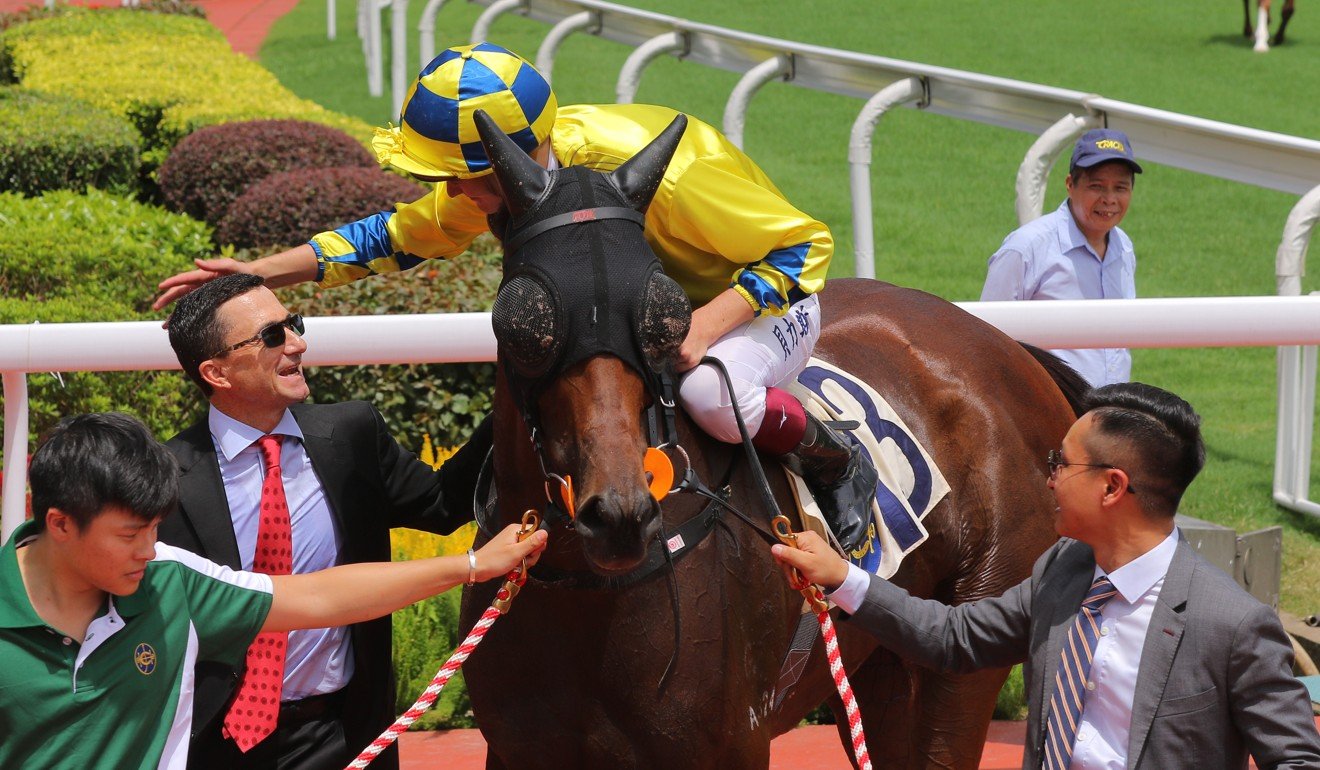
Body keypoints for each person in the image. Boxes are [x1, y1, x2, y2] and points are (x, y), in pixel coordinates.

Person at [152, 41, 877, 552]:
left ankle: (832, 456)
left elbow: (804, 245)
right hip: (637, 322)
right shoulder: (506, 181)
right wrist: (258, 272)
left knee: (712, 399)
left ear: (496, 160)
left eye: (453, 177)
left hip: (759, 300)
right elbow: (395, 237)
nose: (448, 194)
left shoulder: (660, 169)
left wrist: (708, 324)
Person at [772, 382, 1320, 770]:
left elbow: (1295, 757)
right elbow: (955, 637)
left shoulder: (1233, 624)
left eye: (1061, 461)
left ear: (1112, 487)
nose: (1049, 477)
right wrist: (842, 574)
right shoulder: (1065, 569)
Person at [0, 411, 546, 769]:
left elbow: (321, 597)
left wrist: (474, 563)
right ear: (60, 523)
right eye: (129, 535)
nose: (149, 547)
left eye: (152, 528)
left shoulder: (170, 582)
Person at [159, 273, 491, 769]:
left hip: (344, 735)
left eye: (293, 324)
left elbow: (443, 504)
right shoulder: (165, 479)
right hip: (214, 743)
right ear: (217, 373)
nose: (298, 344)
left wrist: (521, 393)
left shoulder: (352, 436)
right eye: (273, 335)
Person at [980, 129, 1141, 388]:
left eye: (1120, 188)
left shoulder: (1123, 247)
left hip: (1108, 412)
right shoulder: (1026, 248)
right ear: (1070, 185)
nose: (1109, 199)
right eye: (1096, 186)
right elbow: (986, 338)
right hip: (1046, 411)